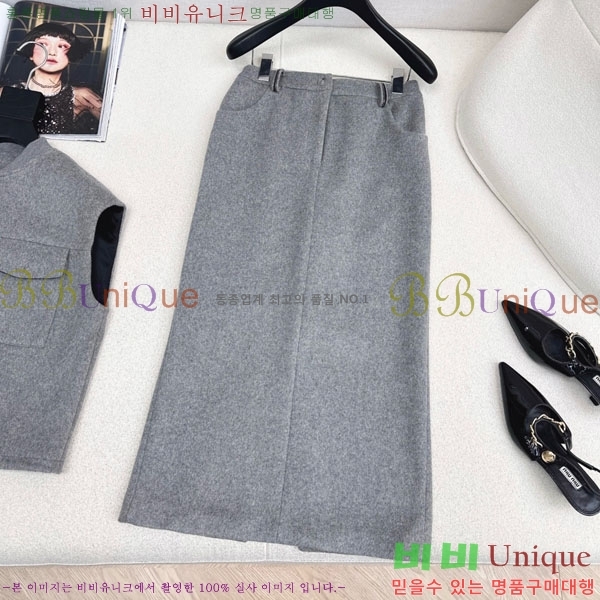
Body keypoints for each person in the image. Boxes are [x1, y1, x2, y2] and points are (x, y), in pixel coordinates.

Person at [1, 22, 102, 134]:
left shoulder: (82, 96)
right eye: (43, 44)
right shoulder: (6, 93)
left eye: (62, 46)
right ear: (30, 52)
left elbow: (114, 129)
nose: (52, 52)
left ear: (70, 56)